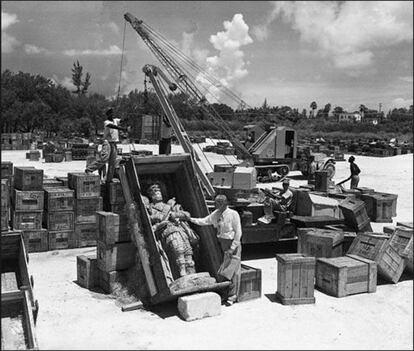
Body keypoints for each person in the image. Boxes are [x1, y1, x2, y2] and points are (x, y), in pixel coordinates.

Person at [189, 194, 242, 306]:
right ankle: (226, 293)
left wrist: (232, 248)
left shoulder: (233, 214)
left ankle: (233, 296)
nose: (215, 205)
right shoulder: (216, 214)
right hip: (222, 243)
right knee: (224, 269)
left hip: (232, 243)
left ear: (224, 203)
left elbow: (238, 232)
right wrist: (190, 219)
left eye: (217, 203)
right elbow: (204, 221)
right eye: (215, 203)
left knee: (233, 271)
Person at [146, 183, 199, 278]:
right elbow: (152, 219)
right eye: (156, 193)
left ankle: (192, 275)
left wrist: (176, 214)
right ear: (151, 196)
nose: (159, 194)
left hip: (180, 230)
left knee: (188, 252)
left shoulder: (171, 205)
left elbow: (187, 215)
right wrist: (161, 216)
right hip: (168, 231)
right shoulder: (150, 208)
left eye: (159, 192)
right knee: (179, 251)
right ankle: (183, 275)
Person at [85, 107, 128, 183]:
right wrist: (122, 128)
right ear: (107, 115)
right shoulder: (106, 122)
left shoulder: (115, 120)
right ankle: (89, 169)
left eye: (112, 113)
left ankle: (109, 179)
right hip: (107, 142)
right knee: (104, 158)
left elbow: (122, 120)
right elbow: (112, 126)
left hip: (114, 143)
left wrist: (126, 118)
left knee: (113, 162)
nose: (111, 114)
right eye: (109, 113)